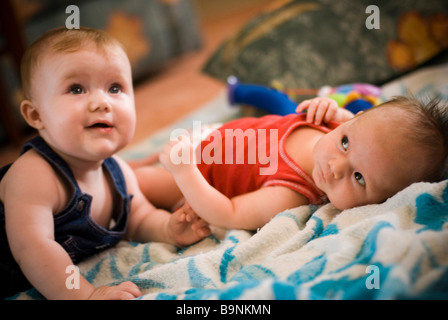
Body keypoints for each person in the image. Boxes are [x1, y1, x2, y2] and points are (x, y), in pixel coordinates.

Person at [0, 27, 210, 300]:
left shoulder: (117, 171)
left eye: (115, 88)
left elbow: (139, 218)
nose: (102, 102)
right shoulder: (34, 175)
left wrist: (169, 229)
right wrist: (86, 295)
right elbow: (33, 248)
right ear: (36, 115)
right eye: (76, 89)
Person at [134, 95, 448, 231]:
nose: (336, 166)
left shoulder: (291, 192)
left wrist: (184, 171)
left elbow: (228, 213)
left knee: (131, 182)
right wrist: (331, 110)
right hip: (210, 138)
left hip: (200, 176)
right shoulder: (335, 125)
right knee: (127, 162)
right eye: (345, 143)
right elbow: (359, 129)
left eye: (360, 178)